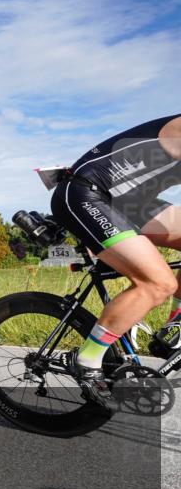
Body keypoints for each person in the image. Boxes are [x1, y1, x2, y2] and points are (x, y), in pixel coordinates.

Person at [50, 114, 181, 399]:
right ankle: (87, 358)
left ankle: (176, 327)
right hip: (86, 194)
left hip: (130, 202)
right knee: (159, 283)